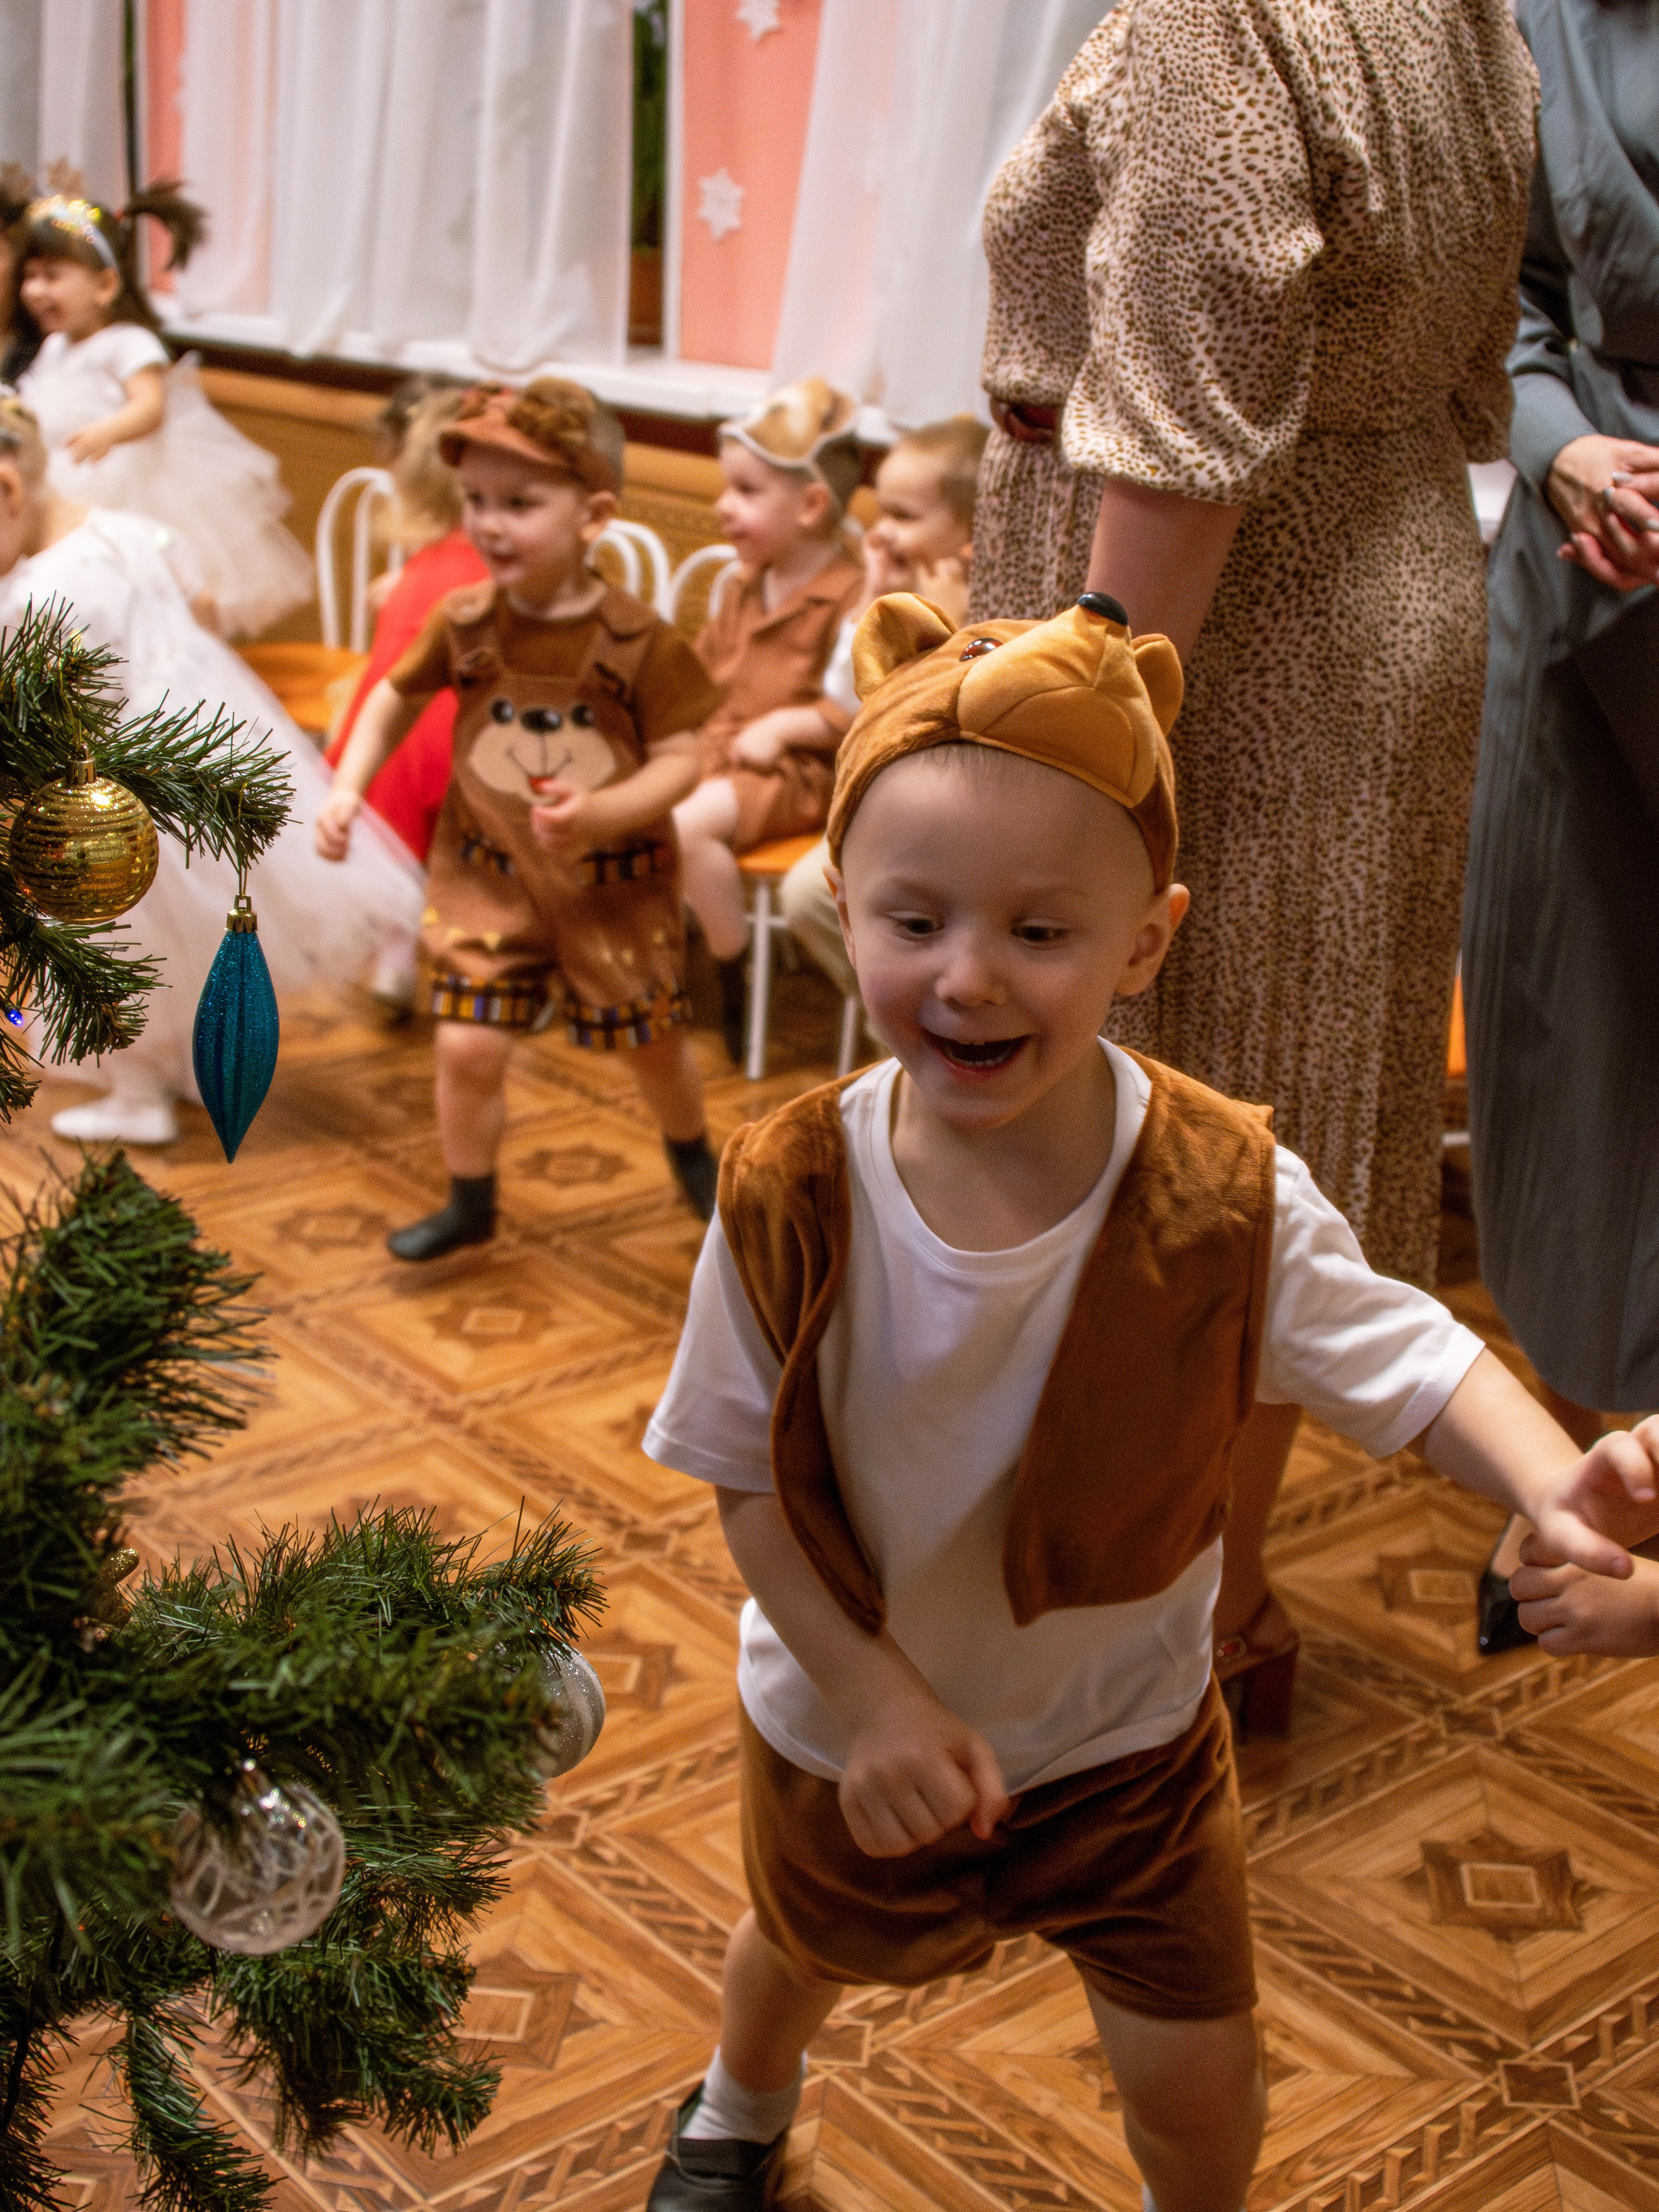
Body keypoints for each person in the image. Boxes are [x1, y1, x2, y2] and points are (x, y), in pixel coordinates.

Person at [640, 589, 1659, 2212]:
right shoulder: (790, 1182)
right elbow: (741, 1478)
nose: (967, 978)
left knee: (1195, 2069)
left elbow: (1410, 1352)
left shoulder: (1217, 1183)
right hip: (850, 1720)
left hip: (1123, 1740)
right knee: (795, 1943)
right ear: (843, 905)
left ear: (1145, 940)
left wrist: (1552, 1485)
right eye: (915, 921)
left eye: (1038, 932)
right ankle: (734, 2109)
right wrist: (880, 1699)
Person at [968, 0, 1536, 1722]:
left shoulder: (1224, 16)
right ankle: (1219, 1602)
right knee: (1275, 1120)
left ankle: (1159, 1631)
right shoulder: (1459, 11)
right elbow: (1467, 356)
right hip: (1385, 576)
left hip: (1221, 642)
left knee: (1163, 1131)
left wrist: (1074, 745)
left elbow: (1184, 446)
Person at [316, 377, 725, 1257]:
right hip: (486, 874)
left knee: (650, 1044)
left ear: (594, 514)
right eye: (475, 502)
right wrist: (349, 785)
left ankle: (692, 1151)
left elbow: (686, 760)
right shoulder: (463, 619)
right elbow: (389, 696)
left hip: (612, 885)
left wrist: (606, 808)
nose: (490, 522)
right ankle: (471, 1199)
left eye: (520, 503)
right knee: (466, 1045)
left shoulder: (638, 639)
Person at [1461, 0, 1659, 1657]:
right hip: (1575, 577)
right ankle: (1596, 1475)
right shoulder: (1537, 26)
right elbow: (1512, 309)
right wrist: (1563, 453)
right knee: (1571, 1032)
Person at [0, 395, 421, 1145]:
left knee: (112, 941)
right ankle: (193, 1070)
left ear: (8, 490)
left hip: (112, 788)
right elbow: (207, 607)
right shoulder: (126, 529)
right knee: (188, 929)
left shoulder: (32, 595)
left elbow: (50, 720)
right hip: (203, 745)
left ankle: (136, 1095)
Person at [15, 187, 312, 638]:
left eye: (52, 275)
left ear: (105, 285)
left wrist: (108, 432)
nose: (35, 290)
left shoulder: (127, 343)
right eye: (30, 276)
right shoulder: (55, 346)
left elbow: (151, 406)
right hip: (65, 479)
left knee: (145, 580)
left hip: (123, 483)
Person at [671, 378, 864, 1062]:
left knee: (683, 825)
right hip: (722, 752)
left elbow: (861, 710)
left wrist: (787, 726)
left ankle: (736, 967)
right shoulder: (741, 585)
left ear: (811, 505)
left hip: (795, 773)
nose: (724, 506)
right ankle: (662, 947)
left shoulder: (851, 596)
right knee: (627, 793)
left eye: (747, 492)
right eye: (728, 488)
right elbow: (698, 679)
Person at [780, 414, 987, 1001]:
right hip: (892, 810)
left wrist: (951, 621)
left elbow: (964, 699)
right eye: (880, 513)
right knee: (808, 895)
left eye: (904, 516)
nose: (882, 533)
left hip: (964, 818)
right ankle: (897, 1028)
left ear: (971, 528)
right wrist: (875, 597)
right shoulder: (894, 595)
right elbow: (848, 697)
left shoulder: (989, 607)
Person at [325, 380, 489, 1016]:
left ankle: (396, 959)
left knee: (398, 838)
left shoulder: (421, 572)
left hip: (396, 742)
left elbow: (387, 676)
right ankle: (479, 962)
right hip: (468, 739)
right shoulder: (492, 568)